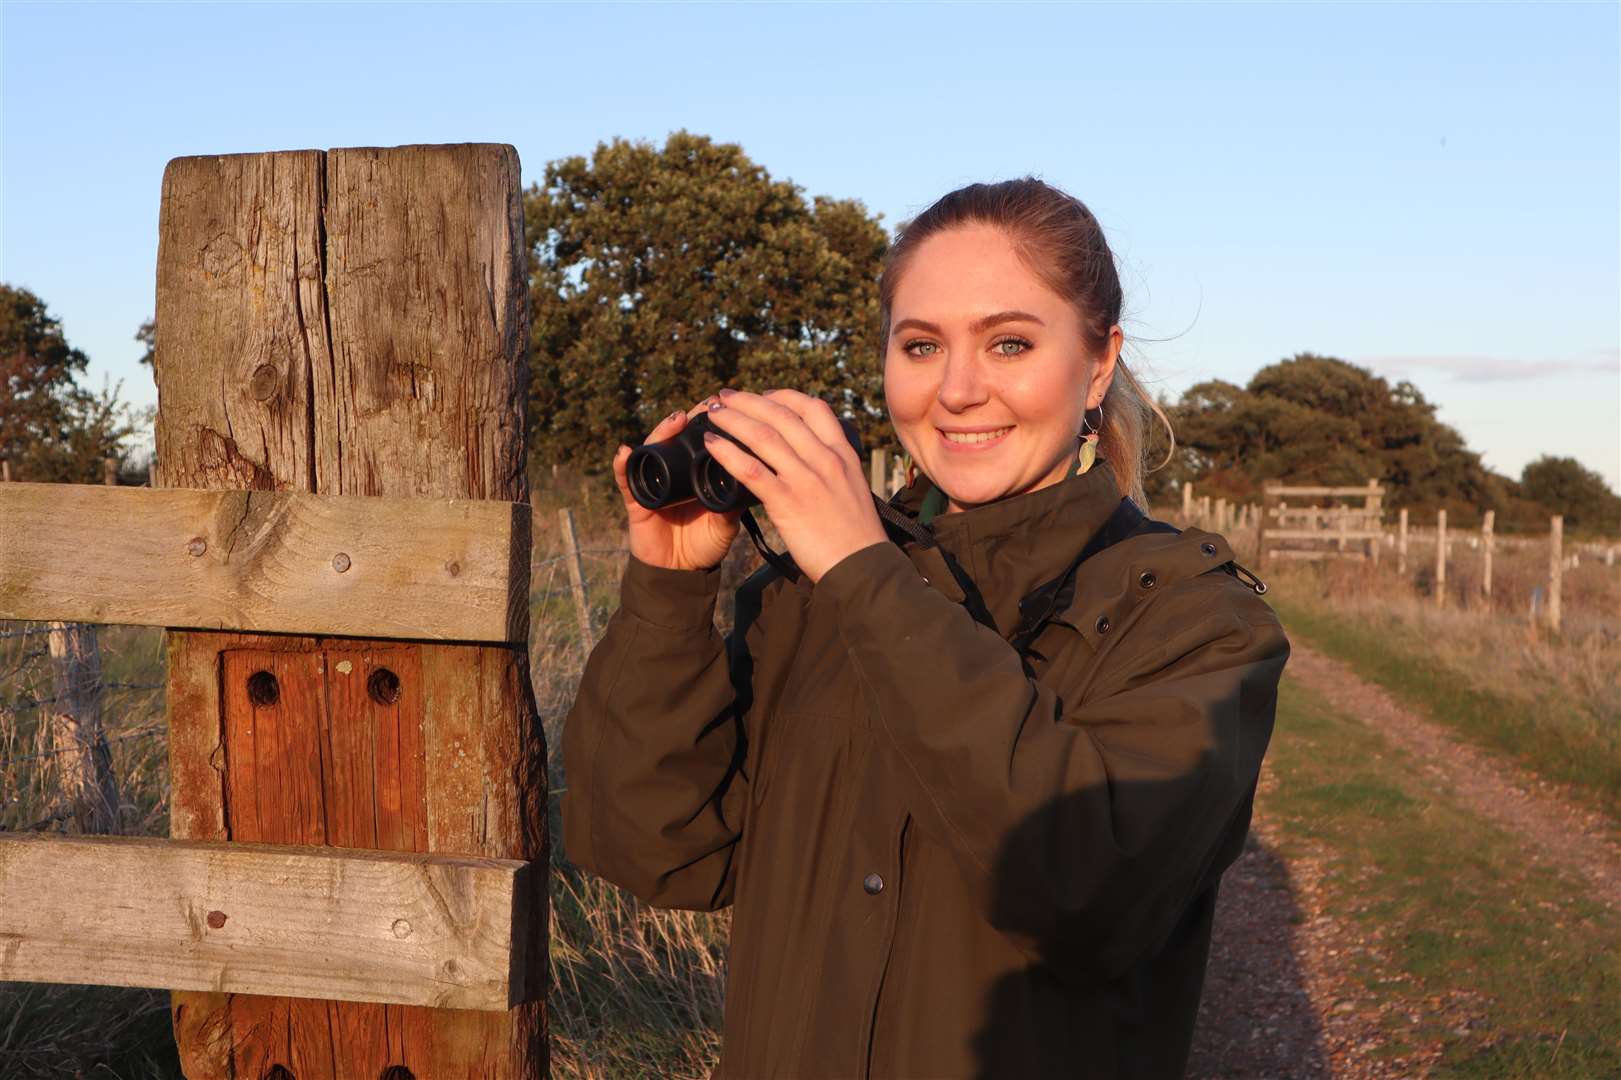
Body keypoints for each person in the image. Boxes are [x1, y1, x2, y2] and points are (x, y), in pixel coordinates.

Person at [561, 178, 1291, 1079]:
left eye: (1009, 343)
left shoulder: (1195, 618)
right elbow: (656, 852)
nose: (955, 391)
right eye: (920, 346)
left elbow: (1087, 891)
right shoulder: (807, 596)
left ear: (1099, 363)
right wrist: (669, 594)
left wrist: (866, 578)